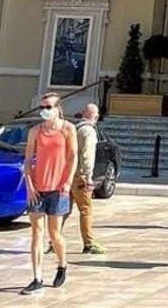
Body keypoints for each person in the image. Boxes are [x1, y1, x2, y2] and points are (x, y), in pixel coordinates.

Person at [21, 94, 78, 296]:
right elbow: (28, 159)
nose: (44, 110)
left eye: (48, 106)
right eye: (42, 106)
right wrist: (29, 184)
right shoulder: (35, 131)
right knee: (36, 231)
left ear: (58, 108)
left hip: (58, 187)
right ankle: (37, 277)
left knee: (55, 234)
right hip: (38, 186)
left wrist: (68, 181)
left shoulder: (68, 129)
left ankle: (62, 264)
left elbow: (72, 156)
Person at [64, 103, 104, 255]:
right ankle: (88, 243)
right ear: (95, 116)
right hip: (80, 175)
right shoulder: (88, 131)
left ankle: (53, 241)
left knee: (64, 210)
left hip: (68, 175)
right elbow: (87, 154)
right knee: (86, 210)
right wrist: (88, 176)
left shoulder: (74, 128)